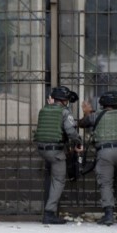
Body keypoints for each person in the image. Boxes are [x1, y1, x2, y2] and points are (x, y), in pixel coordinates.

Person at [79, 91, 117, 226]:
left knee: (106, 183)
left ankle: (109, 215)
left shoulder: (95, 116)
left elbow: (81, 123)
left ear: (102, 104)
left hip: (105, 152)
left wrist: (86, 112)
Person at [34, 86, 81, 225]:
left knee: (52, 175)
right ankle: (49, 213)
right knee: (58, 180)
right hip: (55, 151)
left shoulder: (43, 109)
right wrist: (79, 142)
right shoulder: (64, 112)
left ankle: (49, 210)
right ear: (65, 101)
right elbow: (71, 132)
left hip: (41, 149)